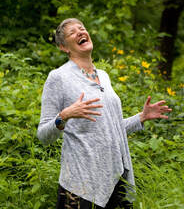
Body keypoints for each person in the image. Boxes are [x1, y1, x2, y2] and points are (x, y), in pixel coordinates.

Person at [37, 18, 172, 209]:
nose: (80, 32)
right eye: (72, 32)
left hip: (115, 180)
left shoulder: (104, 76)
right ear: (63, 47)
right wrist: (64, 116)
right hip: (80, 186)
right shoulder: (58, 78)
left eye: (82, 28)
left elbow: (110, 129)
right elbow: (43, 135)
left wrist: (141, 117)